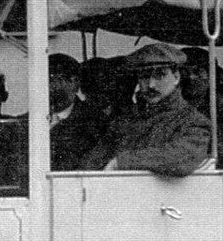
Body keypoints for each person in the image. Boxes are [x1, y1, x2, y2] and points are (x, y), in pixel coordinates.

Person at [82, 43, 211, 177]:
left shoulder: (193, 122)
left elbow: (182, 158)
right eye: (144, 76)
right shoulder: (125, 120)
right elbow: (94, 160)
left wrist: (122, 162)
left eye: (160, 75)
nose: (151, 85)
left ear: (176, 77)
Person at [46, 53, 104, 171]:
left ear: (75, 82)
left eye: (54, 78)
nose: (48, 85)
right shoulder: (27, 120)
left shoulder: (95, 121)